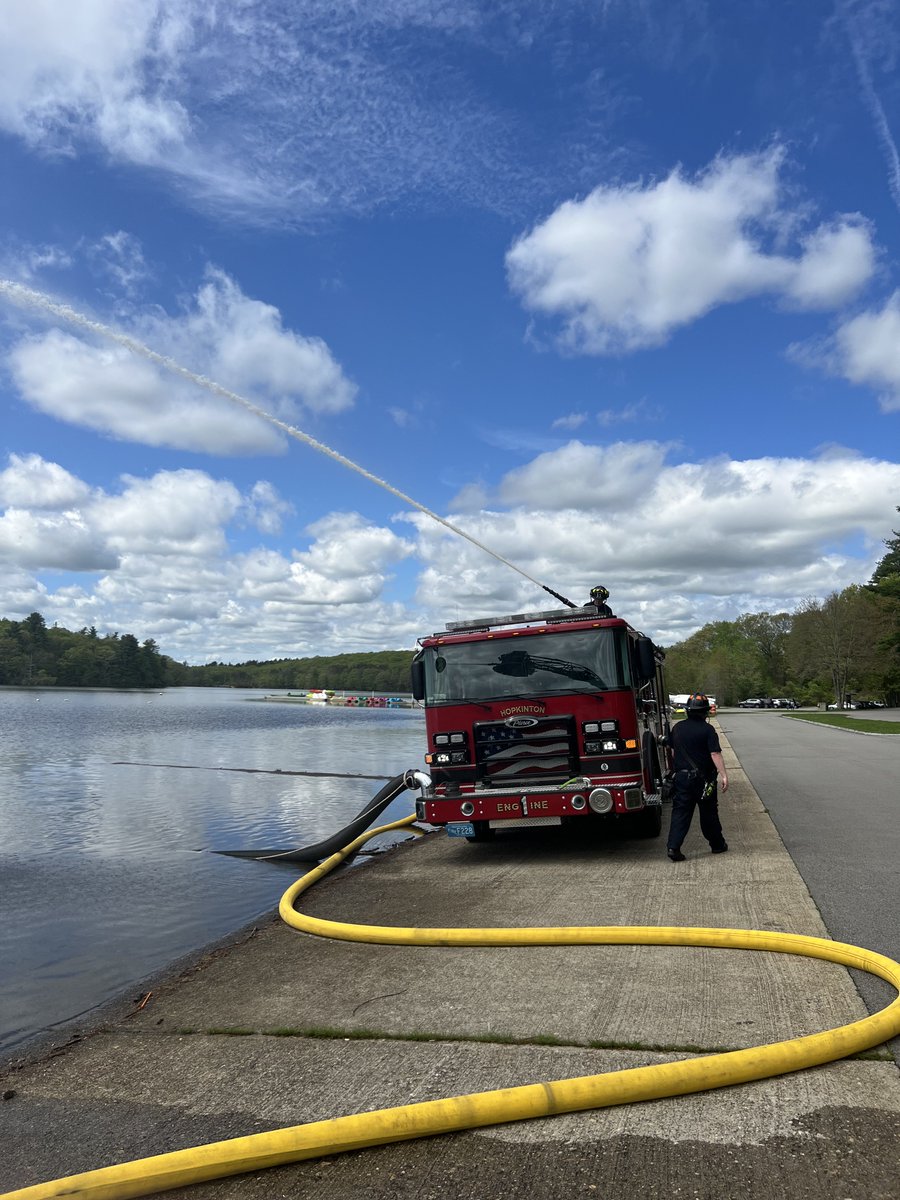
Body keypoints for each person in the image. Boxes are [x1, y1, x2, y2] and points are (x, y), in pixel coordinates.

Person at [666, 692, 729, 861]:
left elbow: (673, 752)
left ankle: (673, 848)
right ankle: (717, 845)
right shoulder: (708, 730)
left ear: (688, 710)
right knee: (709, 813)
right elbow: (715, 754)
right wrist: (724, 775)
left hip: (681, 778)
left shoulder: (677, 728)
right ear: (705, 711)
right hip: (704, 780)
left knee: (680, 813)